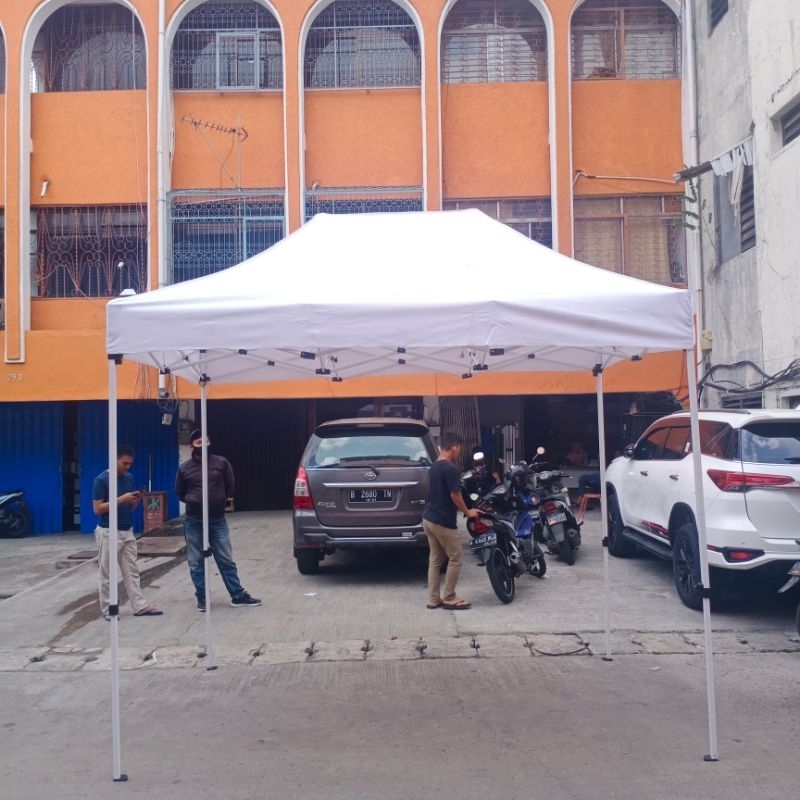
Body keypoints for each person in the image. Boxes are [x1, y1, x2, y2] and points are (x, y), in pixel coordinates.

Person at [175, 429, 261, 611]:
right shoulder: (184, 468)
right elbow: (180, 493)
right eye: (199, 443)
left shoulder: (221, 463)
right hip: (194, 521)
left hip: (217, 520)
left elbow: (230, 486)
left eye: (205, 441)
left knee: (226, 559)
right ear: (192, 446)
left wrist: (219, 500)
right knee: (196, 561)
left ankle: (237, 595)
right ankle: (202, 597)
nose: (203, 445)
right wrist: (194, 500)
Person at [92, 443, 163, 620]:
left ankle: (139, 605)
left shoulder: (128, 478)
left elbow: (129, 507)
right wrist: (121, 498)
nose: (127, 467)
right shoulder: (101, 480)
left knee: (132, 570)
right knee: (107, 573)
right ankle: (108, 609)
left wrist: (137, 498)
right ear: (114, 459)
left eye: (130, 463)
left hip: (127, 530)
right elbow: (97, 509)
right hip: (108, 531)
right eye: (124, 463)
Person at [422, 432, 480, 610]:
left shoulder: (434, 466)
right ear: (454, 447)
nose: (459, 452)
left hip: (428, 518)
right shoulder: (450, 468)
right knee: (456, 558)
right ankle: (449, 597)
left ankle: (433, 599)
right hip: (442, 520)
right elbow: (455, 495)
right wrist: (468, 512)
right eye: (459, 448)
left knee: (435, 560)